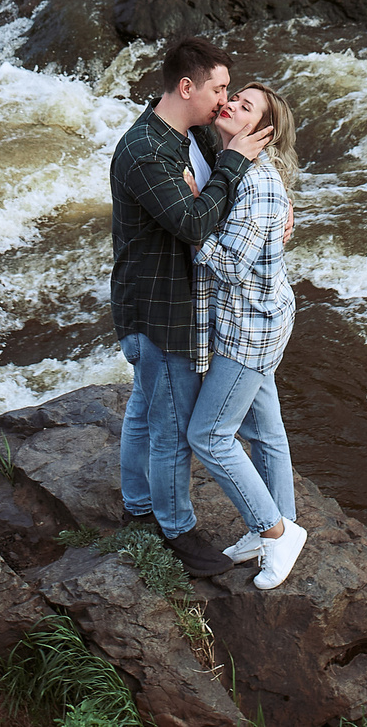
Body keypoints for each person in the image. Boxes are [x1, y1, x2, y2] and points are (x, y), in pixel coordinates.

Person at [110, 37, 271, 577]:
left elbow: (226, 205)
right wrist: (232, 164)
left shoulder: (190, 132)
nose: (226, 99)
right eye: (219, 88)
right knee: (173, 426)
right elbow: (196, 224)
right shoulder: (144, 153)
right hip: (159, 311)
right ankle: (176, 528)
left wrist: (278, 213)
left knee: (145, 409)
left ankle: (137, 507)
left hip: (167, 301)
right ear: (187, 88)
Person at [186, 82, 307, 589]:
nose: (230, 103)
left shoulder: (256, 184)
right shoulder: (247, 166)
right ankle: (274, 530)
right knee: (264, 432)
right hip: (265, 315)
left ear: (264, 130)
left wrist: (191, 214)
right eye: (232, 96)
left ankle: (277, 533)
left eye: (245, 105)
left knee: (209, 435)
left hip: (249, 326)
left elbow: (230, 265)